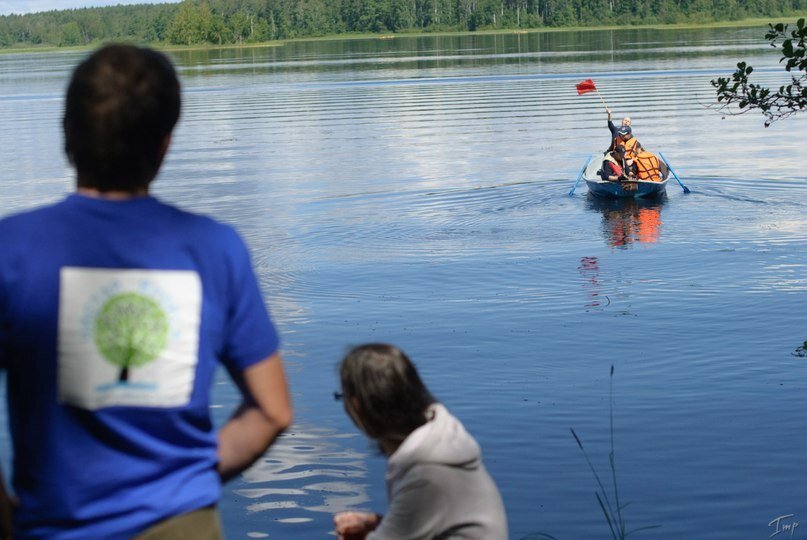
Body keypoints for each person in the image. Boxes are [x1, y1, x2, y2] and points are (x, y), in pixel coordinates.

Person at [0, 44, 292, 539]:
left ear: (68, 135)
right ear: (164, 143)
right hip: (182, 525)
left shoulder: (11, 249)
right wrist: (184, 480)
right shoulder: (215, 249)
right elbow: (273, 411)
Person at [333, 344, 508, 540]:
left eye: (343, 397)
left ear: (357, 406)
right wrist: (376, 524)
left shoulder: (426, 472)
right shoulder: (440, 440)